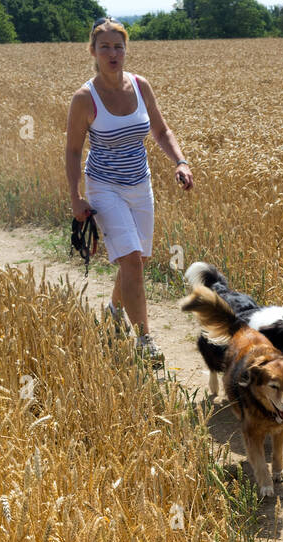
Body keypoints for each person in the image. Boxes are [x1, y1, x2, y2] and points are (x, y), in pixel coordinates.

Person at [65, 17, 193, 364]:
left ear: (125, 50)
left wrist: (180, 162)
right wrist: (77, 197)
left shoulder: (140, 86)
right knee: (133, 262)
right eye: (104, 46)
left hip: (140, 184)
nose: (112, 53)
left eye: (118, 46)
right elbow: (74, 150)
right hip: (104, 187)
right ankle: (145, 340)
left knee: (141, 259)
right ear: (92, 51)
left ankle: (112, 310)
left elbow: (162, 130)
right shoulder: (84, 98)